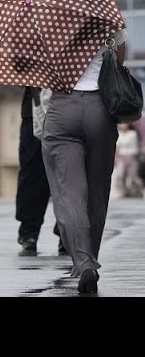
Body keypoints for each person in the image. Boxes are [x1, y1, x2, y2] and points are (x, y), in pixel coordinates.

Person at [42, 29, 127, 294]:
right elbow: (118, 60)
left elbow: (34, 67)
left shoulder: (47, 20)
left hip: (62, 108)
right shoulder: (108, 17)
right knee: (97, 191)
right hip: (100, 109)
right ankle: (91, 254)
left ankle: (84, 260)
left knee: (70, 194)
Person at [15, 86, 65, 254]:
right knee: (32, 173)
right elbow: (18, 72)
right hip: (34, 109)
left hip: (67, 105)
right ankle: (29, 231)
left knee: (68, 173)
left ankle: (67, 231)